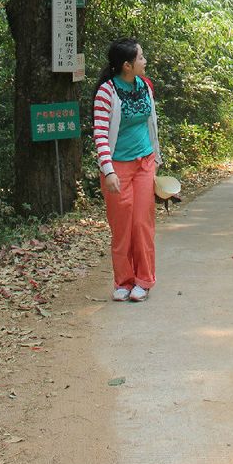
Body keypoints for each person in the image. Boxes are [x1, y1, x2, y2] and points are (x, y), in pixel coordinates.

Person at [92, 38, 162, 302]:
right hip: (117, 167)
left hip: (144, 163)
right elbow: (99, 133)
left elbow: (151, 124)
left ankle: (144, 281)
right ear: (127, 65)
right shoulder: (106, 92)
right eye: (141, 58)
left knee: (142, 224)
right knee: (121, 227)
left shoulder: (145, 86)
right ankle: (123, 281)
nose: (145, 61)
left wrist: (156, 159)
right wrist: (107, 170)